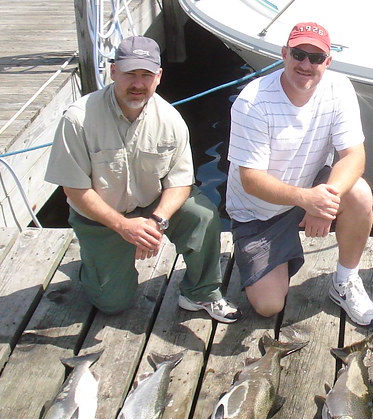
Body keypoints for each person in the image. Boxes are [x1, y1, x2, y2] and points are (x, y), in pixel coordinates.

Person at [45, 36, 240, 322]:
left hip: (151, 205)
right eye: (130, 74)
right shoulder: (77, 119)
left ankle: (201, 292)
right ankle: (93, 264)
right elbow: (74, 190)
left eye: (146, 75)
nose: (137, 84)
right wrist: (123, 226)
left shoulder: (171, 119)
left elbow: (181, 182)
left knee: (203, 214)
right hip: (101, 217)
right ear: (113, 72)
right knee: (112, 304)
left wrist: (156, 222)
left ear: (158, 77)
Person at [226, 21, 373, 326]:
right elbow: (251, 180)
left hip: (312, 188)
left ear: (328, 62)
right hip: (258, 212)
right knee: (269, 306)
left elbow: (354, 156)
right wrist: (308, 200)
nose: (306, 64)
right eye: (298, 54)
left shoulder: (339, 88)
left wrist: (326, 202)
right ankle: (265, 256)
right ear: (284, 54)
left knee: (360, 193)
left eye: (316, 58)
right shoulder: (252, 101)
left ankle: (344, 281)